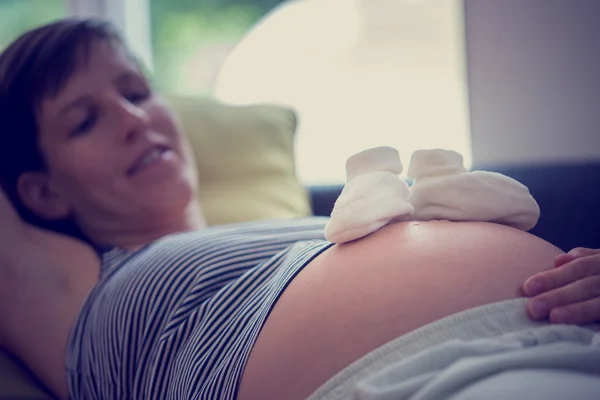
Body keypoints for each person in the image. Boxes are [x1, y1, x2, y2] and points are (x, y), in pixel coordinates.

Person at [0, 18, 598, 400]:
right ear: (43, 191)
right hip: (424, 381)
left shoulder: (311, 233)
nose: (132, 119)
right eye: (85, 120)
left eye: (135, 93)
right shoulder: (68, 291)